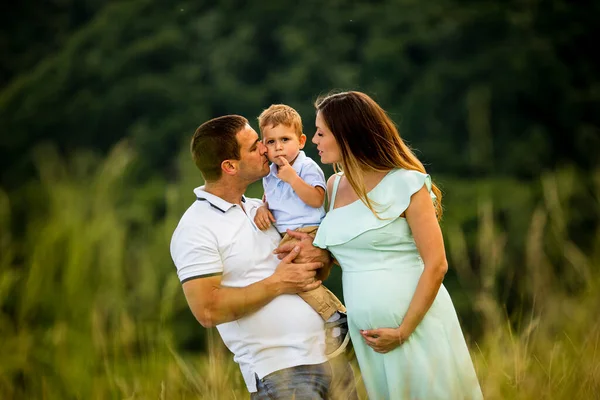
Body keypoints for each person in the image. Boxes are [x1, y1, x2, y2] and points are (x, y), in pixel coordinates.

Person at [309, 91, 483, 399]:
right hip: (371, 340)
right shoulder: (334, 187)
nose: (313, 140)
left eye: (321, 132)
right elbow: (344, 249)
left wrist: (403, 330)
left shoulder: (406, 182)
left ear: (346, 135)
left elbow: (437, 264)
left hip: (416, 327)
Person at [169, 115, 357, 399]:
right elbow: (207, 310)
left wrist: (320, 251)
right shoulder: (197, 226)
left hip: (334, 363)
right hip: (283, 374)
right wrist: (279, 282)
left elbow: (321, 244)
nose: (266, 149)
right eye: (255, 146)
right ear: (230, 166)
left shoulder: (264, 209)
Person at [253, 104, 349, 358]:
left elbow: (317, 199)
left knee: (293, 277)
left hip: (310, 230)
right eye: (271, 142)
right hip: (289, 232)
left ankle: (335, 315)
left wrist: (292, 178)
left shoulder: (306, 167)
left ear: (301, 141)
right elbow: (271, 200)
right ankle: (331, 317)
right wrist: (262, 209)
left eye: (285, 139)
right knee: (294, 279)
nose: (278, 147)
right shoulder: (270, 173)